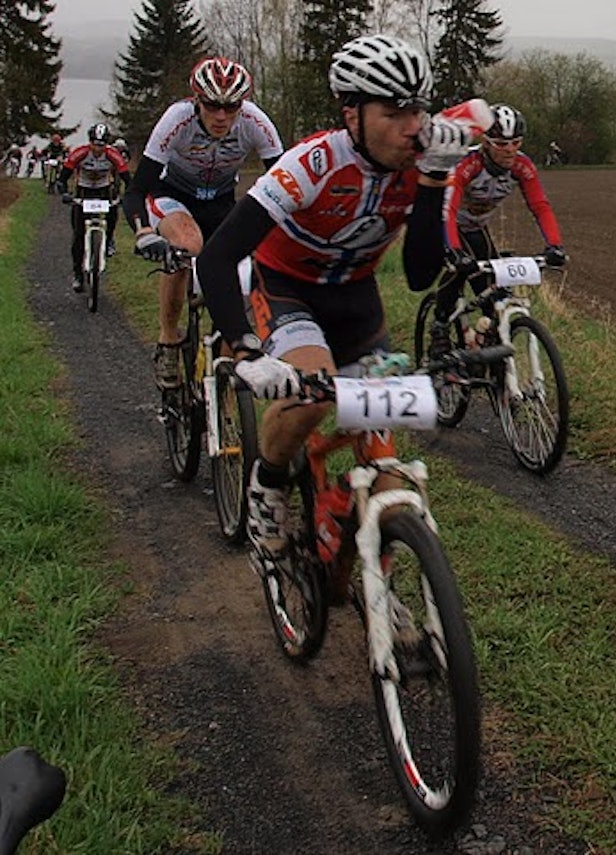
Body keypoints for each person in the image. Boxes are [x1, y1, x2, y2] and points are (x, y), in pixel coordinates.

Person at [193, 33, 491, 579]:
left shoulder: (425, 160)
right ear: (351, 113)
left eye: (419, 109)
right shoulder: (311, 164)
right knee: (310, 395)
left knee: (389, 477)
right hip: (286, 288)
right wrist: (246, 350)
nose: (412, 126)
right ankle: (268, 487)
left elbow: (422, 274)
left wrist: (434, 180)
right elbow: (216, 260)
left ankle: (389, 599)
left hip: (357, 298)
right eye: (394, 111)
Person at [122, 56, 284, 390]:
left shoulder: (256, 122)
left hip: (221, 201)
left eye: (231, 107)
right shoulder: (176, 120)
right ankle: (168, 341)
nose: (222, 116)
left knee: (240, 278)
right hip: (173, 195)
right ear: (197, 100)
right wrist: (144, 232)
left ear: (243, 104)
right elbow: (138, 190)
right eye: (212, 106)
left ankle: (221, 379)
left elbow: (285, 185)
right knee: (187, 245)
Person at [429, 104, 566, 357]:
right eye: (502, 144)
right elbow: (447, 210)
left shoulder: (521, 167)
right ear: (486, 142)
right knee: (458, 272)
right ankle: (439, 326)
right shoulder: (467, 165)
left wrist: (554, 245)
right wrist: (455, 251)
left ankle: (487, 345)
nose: (511, 149)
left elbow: (540, 206)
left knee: (493, 291)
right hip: (446, 225)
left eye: (516, 142)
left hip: (475, 228)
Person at [56, 123, 131, 291]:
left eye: (102, 145)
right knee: (78, 236)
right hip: (83, 192)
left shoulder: (113, 155)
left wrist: (128, 195)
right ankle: (77, 274)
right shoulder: (80, 153)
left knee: (113, 210)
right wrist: (64, 193)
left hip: (103, 191)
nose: (98, 149)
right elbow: (62, 178)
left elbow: (127, 178)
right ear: (90, 142)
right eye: (95, 144)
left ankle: (109, 239)